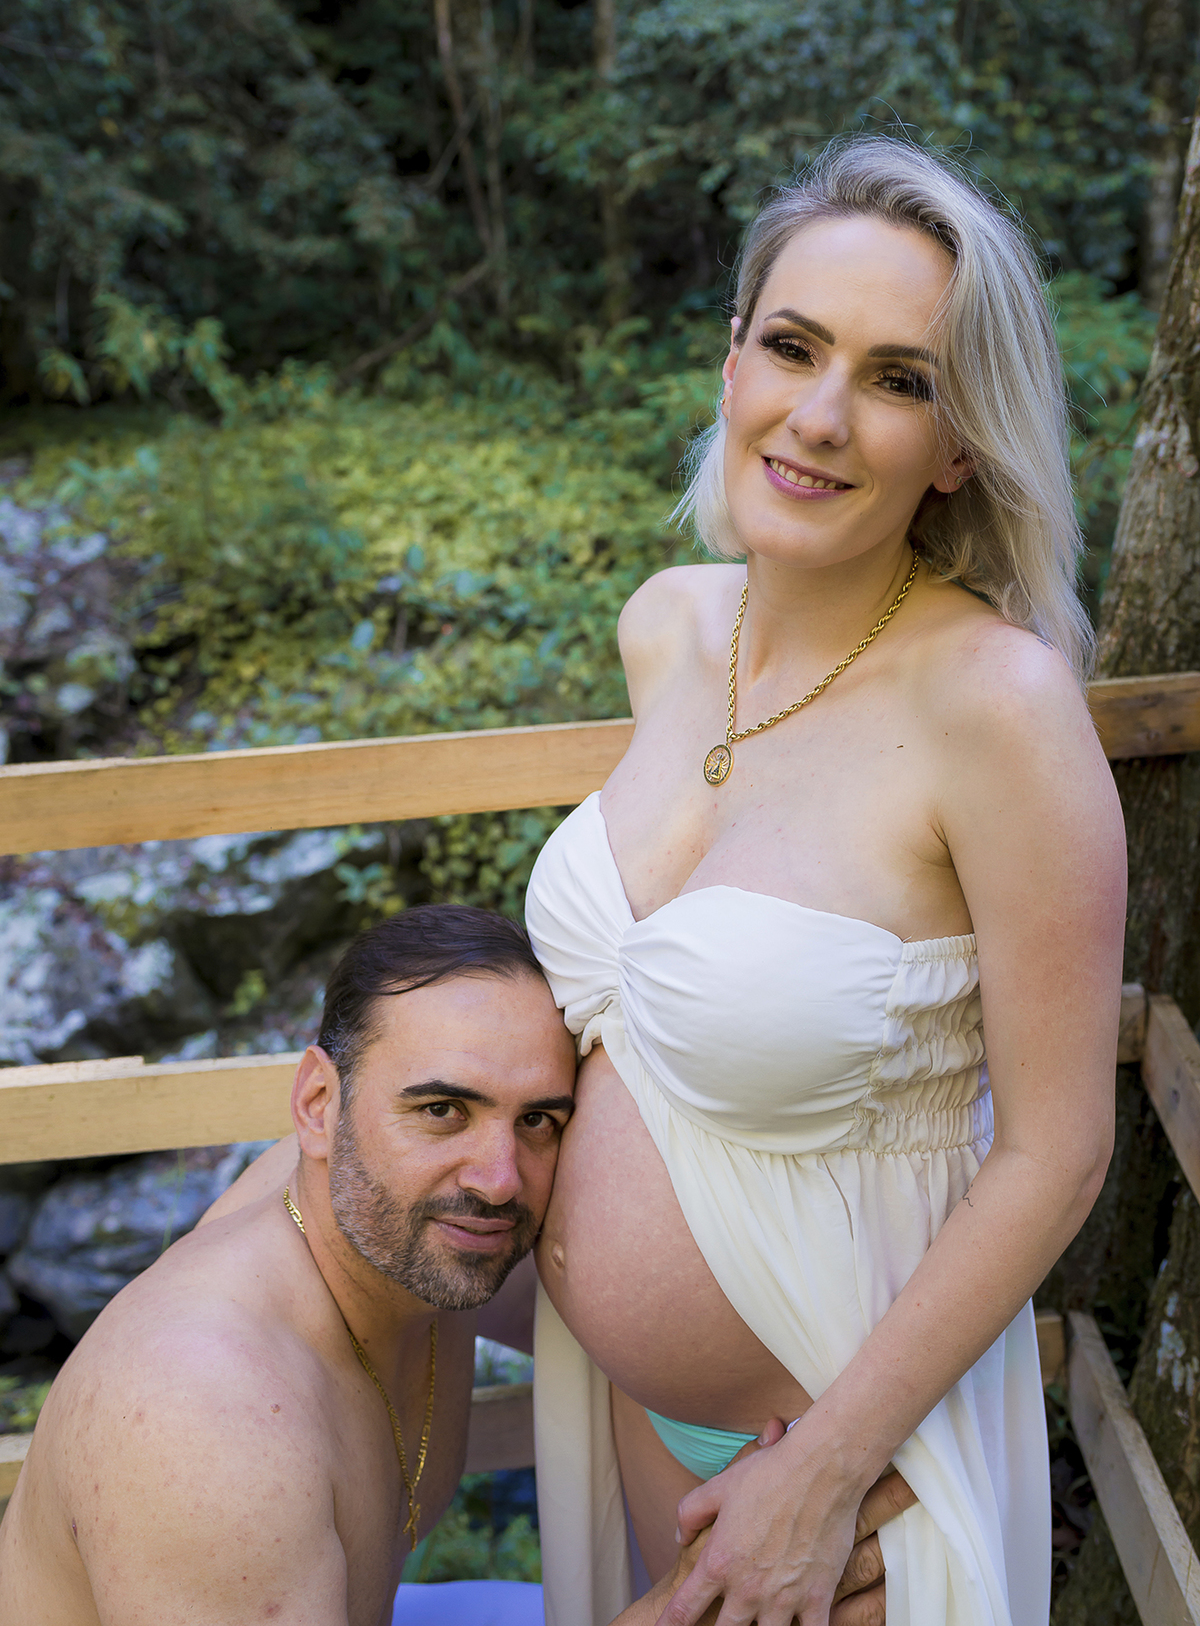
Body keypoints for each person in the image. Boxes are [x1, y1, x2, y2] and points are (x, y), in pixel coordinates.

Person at [524, 137, 1126, 1626]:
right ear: (731, 359)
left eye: (899, 379)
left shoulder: (998, 707)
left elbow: (1057, 1152)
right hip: (627, 1412)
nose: (821, 415)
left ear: (961, 446)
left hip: (844, 1461)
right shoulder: (669, 629)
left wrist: (825, 1472)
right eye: (793, 347)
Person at [0, 904, 904, 1626]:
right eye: (442, 1109)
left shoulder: (384, 1217)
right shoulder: (206, 1417)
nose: (498, 1178)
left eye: (538, 1119)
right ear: (317, 1105)